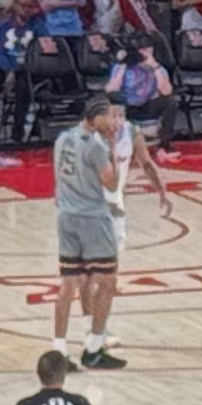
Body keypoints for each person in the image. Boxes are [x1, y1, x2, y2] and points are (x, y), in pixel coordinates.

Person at [50, 93, 165, 371]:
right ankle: (94, 346)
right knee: (108, 281)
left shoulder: (62, 138)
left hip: (66, 215)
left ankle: (59, 350)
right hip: (93, 217)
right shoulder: (96, 146)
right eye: (109, 116)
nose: (114, 122)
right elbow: (112, 185)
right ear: (96, 116)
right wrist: (112, 147)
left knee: (68, 285)